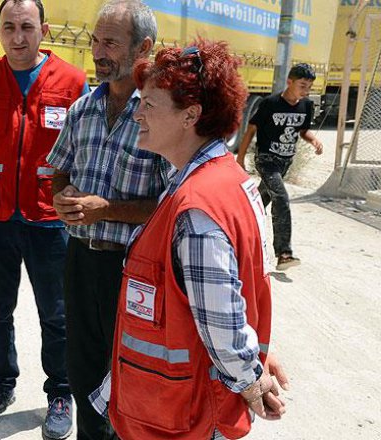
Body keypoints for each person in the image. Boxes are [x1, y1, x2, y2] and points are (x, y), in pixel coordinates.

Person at [89, 39, 288, 440]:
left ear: (190, 115)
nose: (136, 114)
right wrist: (255, 360)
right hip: (181, 406)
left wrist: (251, 379)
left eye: (149, 105)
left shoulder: (196, 209)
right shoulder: (224, 181)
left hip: (186, 415)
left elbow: (223, 322)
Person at [0, 0, 87, 437]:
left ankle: (61, 392)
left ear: (43, 30)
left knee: (57, 315)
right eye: (9, 27)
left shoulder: (73, 82)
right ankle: (0, 385)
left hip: (50, 221)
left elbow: (87, 154)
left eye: (27, 27)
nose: (18, 37)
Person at [45, 1, 166, 439]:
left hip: (134, 271)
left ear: (144, 48)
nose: (98, 51)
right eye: (96, 40)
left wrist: (108, 208)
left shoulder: (160, 115)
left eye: (111, 42)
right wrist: (62, 196)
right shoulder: (82, 110)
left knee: (132, 376)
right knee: (83, 372)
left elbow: (174, 204)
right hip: (79, 260)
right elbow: (59, 170)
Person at [236, 63, 324, 270]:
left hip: (285, 163)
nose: (306, 91)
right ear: (289, 82)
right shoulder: (270, 103)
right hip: (266, 160)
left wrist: (314, 141)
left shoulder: (306, 106)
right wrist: (240, 159)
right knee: (281, 198)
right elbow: (250, 130)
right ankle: (284, 253)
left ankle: (236, 235)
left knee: (257, 203)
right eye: (302, 85)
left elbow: (303, 131)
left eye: (309, 87)